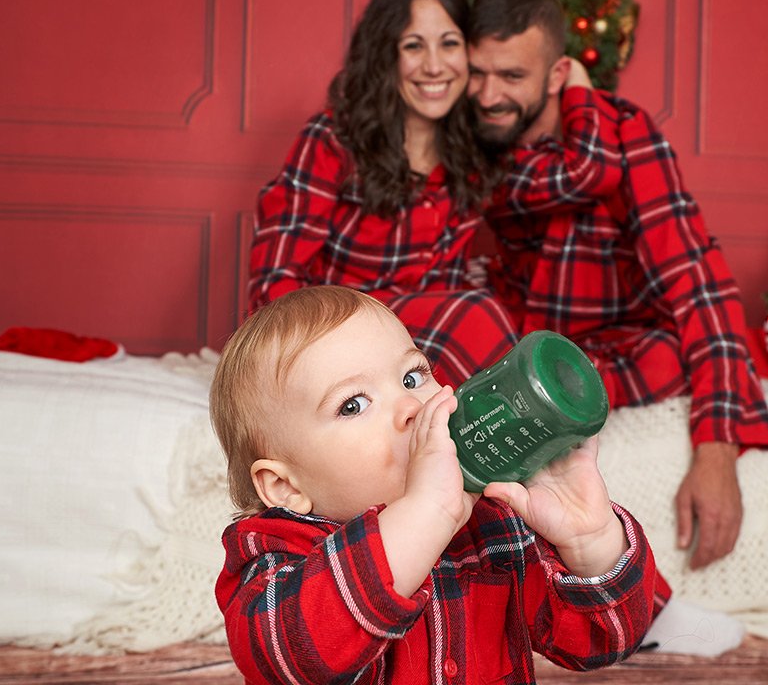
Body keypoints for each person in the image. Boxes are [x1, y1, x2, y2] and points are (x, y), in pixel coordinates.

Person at [466, 0, 768, 574]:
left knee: (666, 356)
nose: (486, 95)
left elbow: (697, 281)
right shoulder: (473, 140)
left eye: (510, 77)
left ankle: (628, 587)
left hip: (614, 346)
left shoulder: (622, 134)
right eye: (477, 73)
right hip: (517, 339)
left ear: (558, 74)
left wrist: (717, 448)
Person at [209, 284, 666, 683]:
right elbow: (293, 655)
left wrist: (591, 540)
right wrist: (426, 514)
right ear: (286, 487)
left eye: (412, 376)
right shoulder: (276, 558)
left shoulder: (491, 526)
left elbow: (604, 641)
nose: (410, 405)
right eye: (353, 405)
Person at [247, 0, 617, 389]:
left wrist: (577, 84)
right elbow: (272, 284)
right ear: (386, 54)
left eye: (449, 44)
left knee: (499, 330)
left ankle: (493, 439)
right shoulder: (335, 140)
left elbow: (587, 172)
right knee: (475, 315)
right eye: (413, 46)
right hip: (332, 343)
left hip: (421, 352)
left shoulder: (476, 153)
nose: (435, 66)